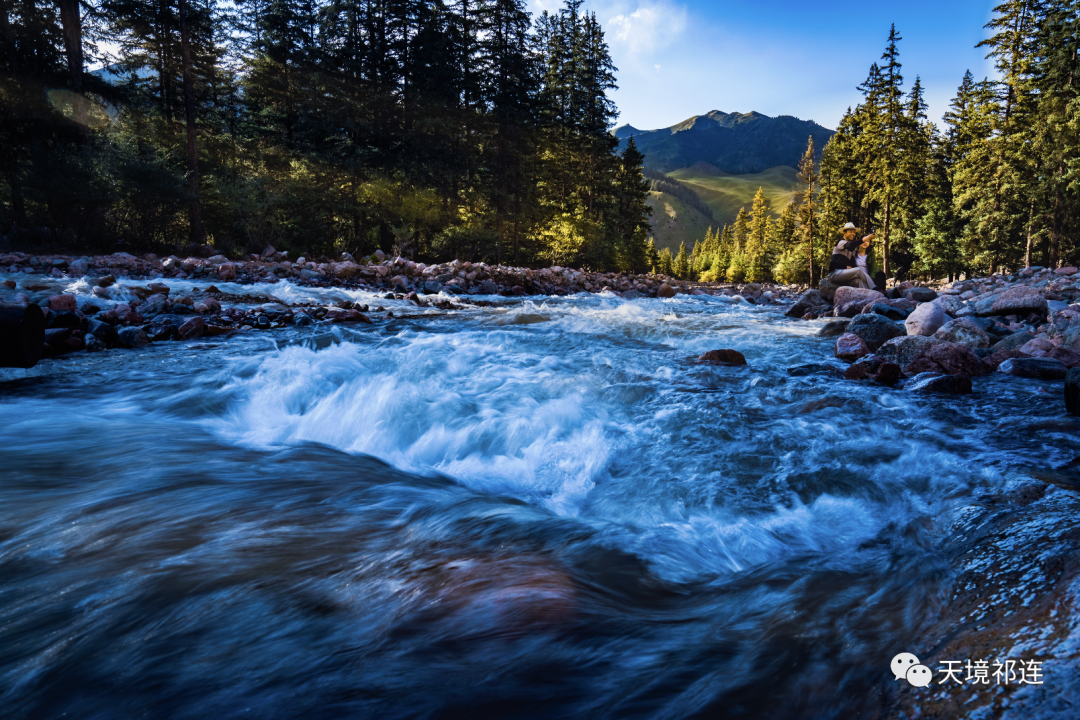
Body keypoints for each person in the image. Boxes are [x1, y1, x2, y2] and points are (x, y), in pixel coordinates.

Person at [828, 222, 877, 290]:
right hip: (835, 274)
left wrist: (848, 267)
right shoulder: (840, 243)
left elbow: (852, 266)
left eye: (854, 232)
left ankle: (870, 295)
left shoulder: (852, 251)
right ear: (844, 233)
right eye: (850, 231)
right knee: (858, 270)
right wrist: (868, 238)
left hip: (845, 275)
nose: (853, 234)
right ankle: (874, 288)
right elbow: (850, 244)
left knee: (858, 281)